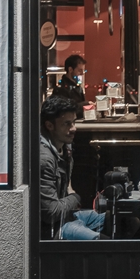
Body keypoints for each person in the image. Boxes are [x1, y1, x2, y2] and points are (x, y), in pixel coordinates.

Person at [39, 96, 107, 240]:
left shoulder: (66, 147)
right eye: (67, 124)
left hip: (66, 216)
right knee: (101, 242)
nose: (73, 128)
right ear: (49, 125)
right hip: (52, 228)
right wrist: (75, 197)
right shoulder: (45, 158)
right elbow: (50, 213)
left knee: (120, 222)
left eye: (74, 122)